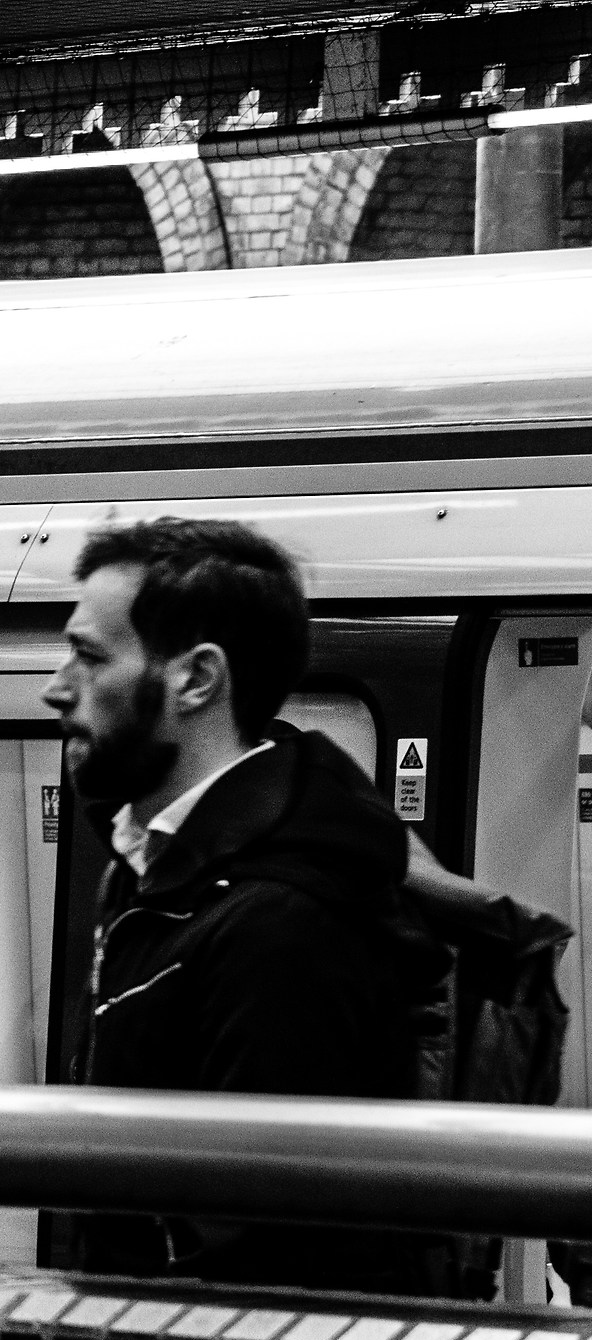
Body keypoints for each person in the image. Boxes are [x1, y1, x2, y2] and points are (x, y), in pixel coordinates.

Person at [40, 516, 465, 1295]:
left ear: (198, 679)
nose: (57, 687)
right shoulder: (153, 871)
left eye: (90, 657)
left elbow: (263, 1256)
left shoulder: (284, 922)